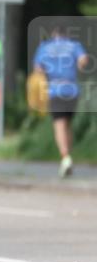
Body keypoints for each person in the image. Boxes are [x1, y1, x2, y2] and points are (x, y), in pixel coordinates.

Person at [32, 26, 88, 178]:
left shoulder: (45, 47)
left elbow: (38, 69)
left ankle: (65, 157)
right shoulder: (74, 45)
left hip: (55, 90)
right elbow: (84, 60)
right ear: (65, 35)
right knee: (67, 124)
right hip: (72, 91)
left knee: (59, 125)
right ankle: (68, 157)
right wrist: (77, 67)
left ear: (53, 35)